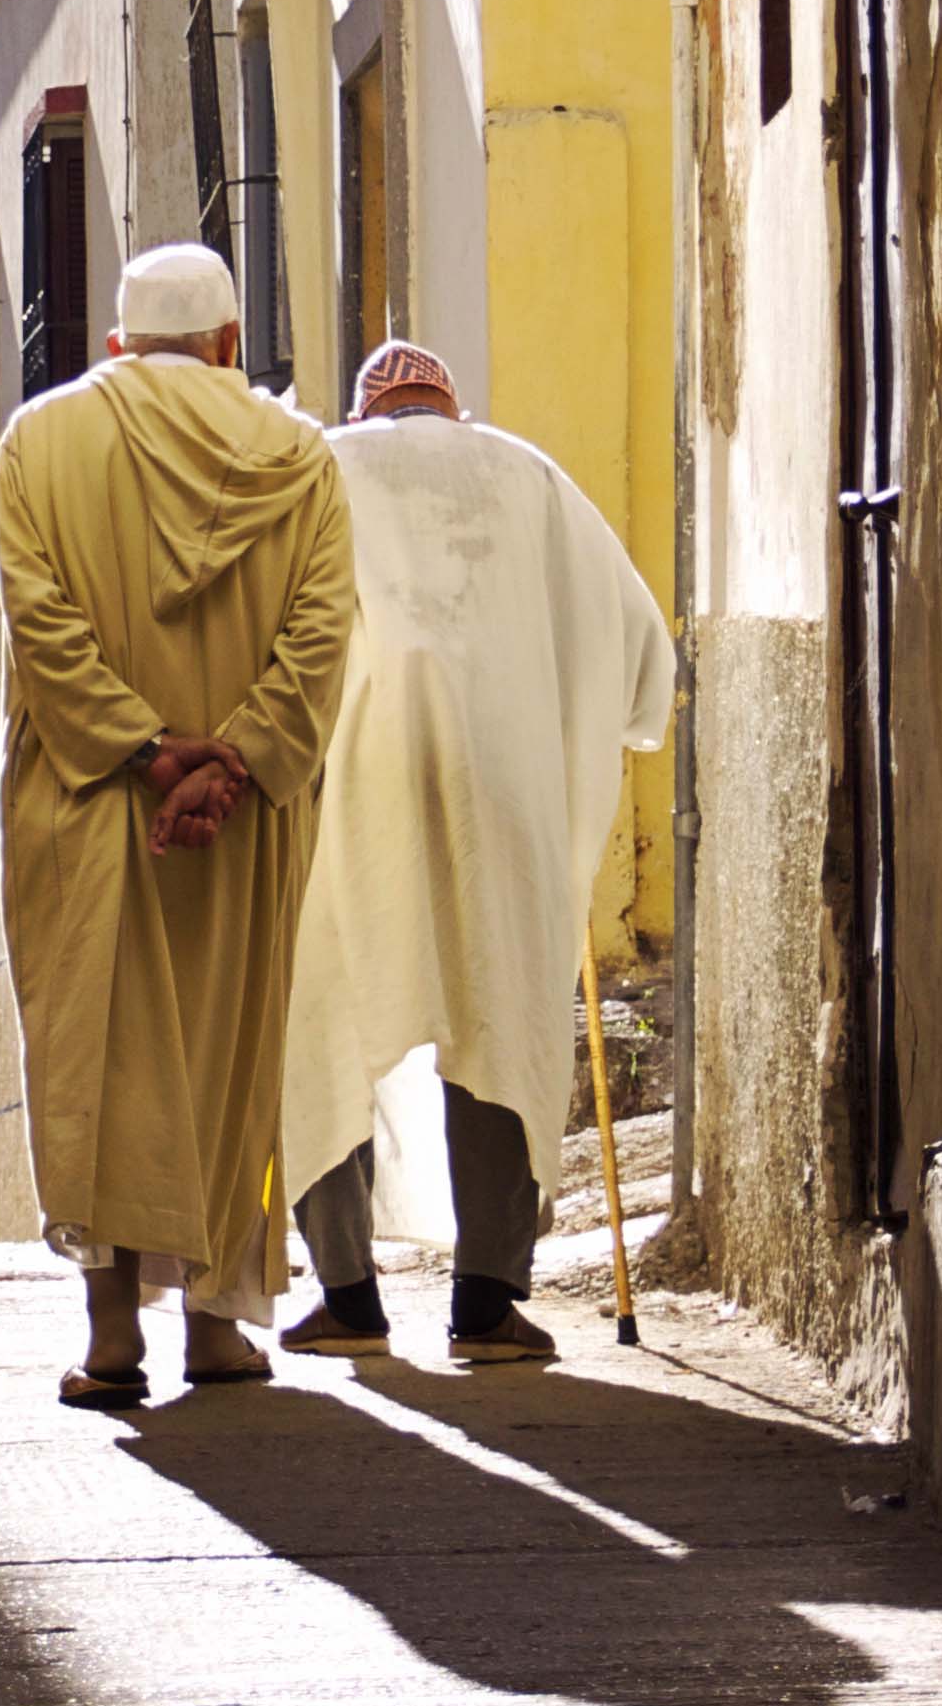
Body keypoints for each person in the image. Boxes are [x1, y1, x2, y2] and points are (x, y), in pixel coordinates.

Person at [0, 243, 359, 1409]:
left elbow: (43, 632)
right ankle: (213, 1324)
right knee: (225, 1048)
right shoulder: (299, 459)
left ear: (117, 345)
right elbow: (318, 632)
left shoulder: (35, 445)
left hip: (91, 804)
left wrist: (148, 754)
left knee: (100, 1057)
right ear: (229, 345)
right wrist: (232, 759)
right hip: (239, 827)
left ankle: (109, 1337)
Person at [275, 339, 675, 1365]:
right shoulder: (528, 472)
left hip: (351, 777)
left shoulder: (318, 464)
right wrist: (604, 722)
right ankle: (487, 1300)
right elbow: (641, 652)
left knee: (323, 1010)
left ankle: (348, 1293)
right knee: (499, 1007)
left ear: (369, 410)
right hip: (499, 784)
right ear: (449, 409)